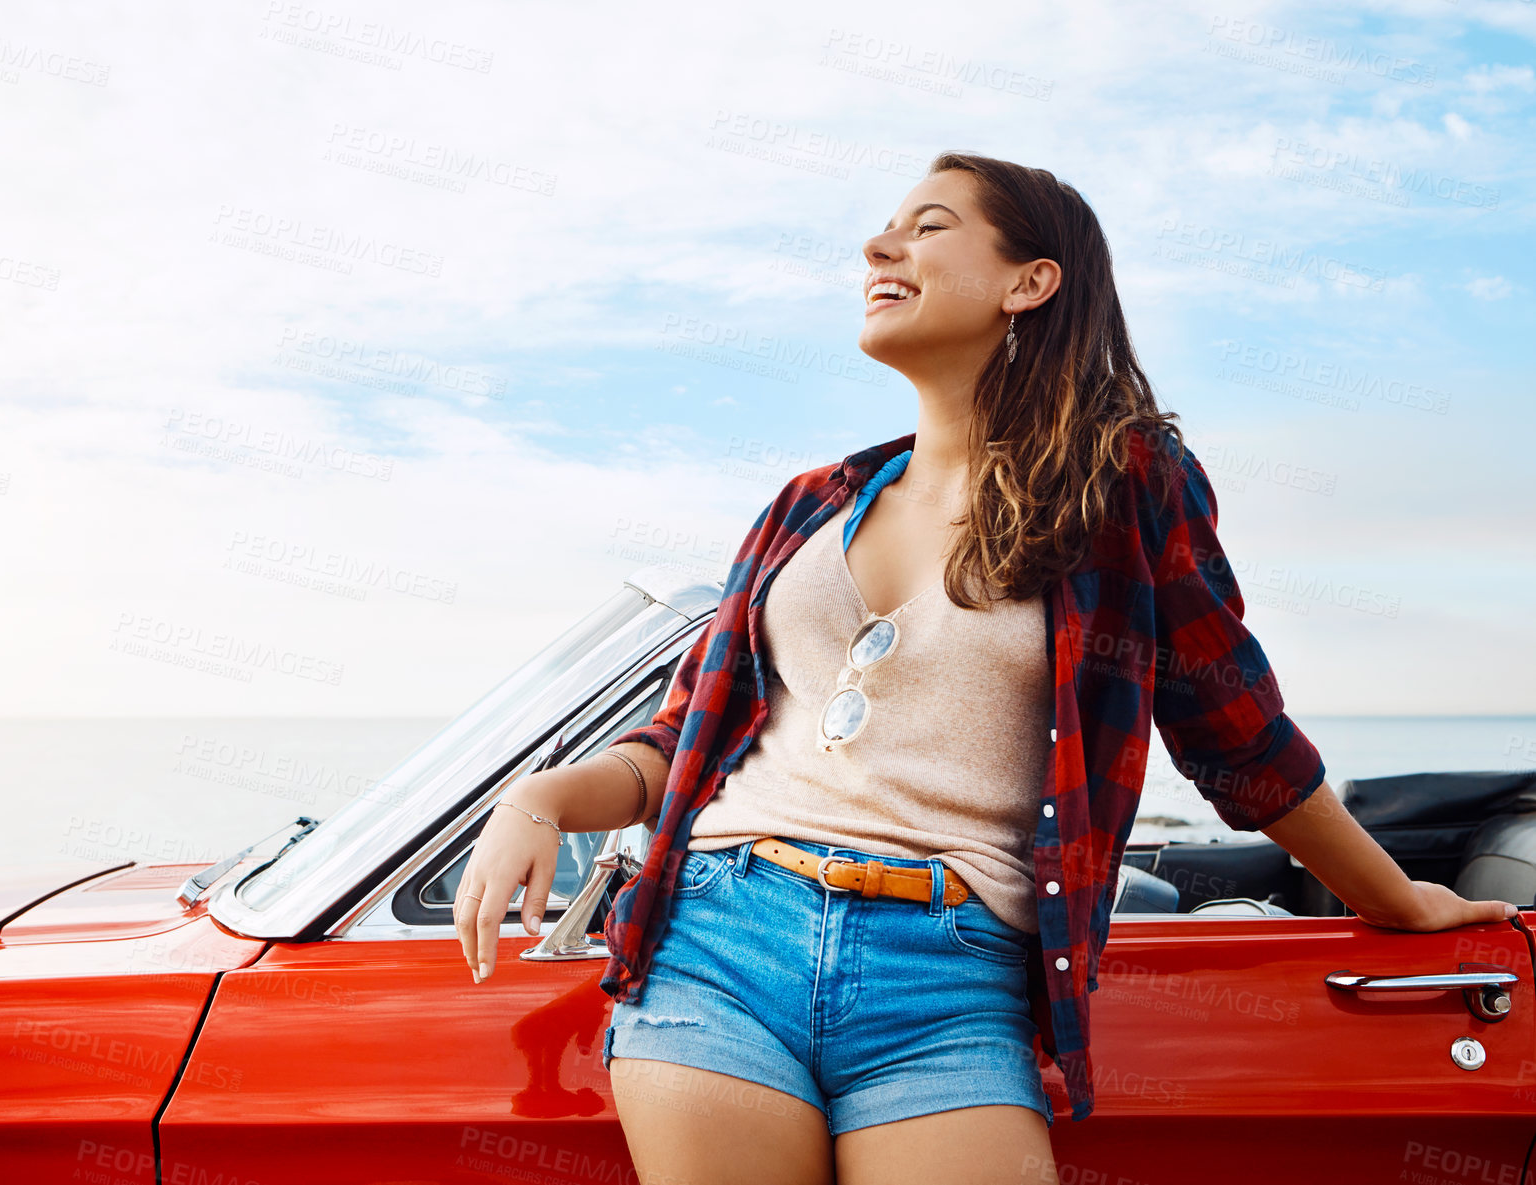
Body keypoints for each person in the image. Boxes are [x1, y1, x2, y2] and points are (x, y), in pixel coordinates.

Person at [452, 152, 1521, 1185]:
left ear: (1030, 280)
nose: (879, 241)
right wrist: (538, 797)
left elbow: (1235, 731)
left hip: (952, 966)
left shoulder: (1124, 483)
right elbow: (680, 741)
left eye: (927, 225)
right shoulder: (808, 504)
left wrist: (1396, 898)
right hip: (725, 938)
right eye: (886, 225)